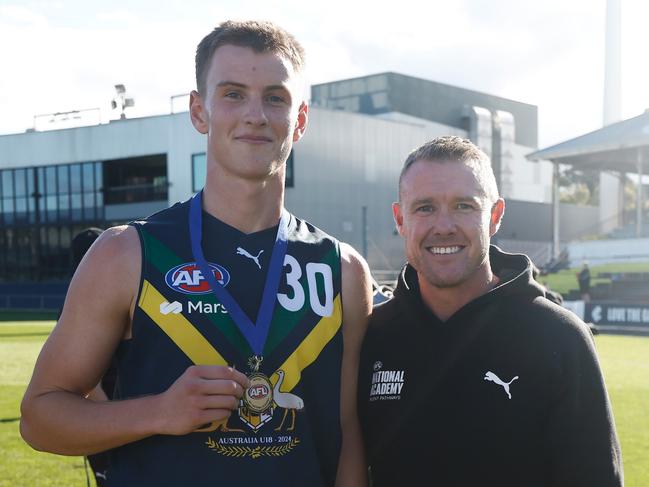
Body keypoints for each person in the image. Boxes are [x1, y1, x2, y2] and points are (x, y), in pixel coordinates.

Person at [21, 21, 371, 487]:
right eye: (232, 94)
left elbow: (347, 436)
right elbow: (40, 418)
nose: (255, 114)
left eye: (275, 97)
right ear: (198, 111)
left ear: (300, 119)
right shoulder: (128, 253)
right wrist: (158, 412)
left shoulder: (342, 269)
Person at [358, 136, 622, 486]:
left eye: (464, 206)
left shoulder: (559, 337)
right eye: (425, 207)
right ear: (400, 219)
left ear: (495, 216)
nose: (444, 225)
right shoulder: (371, 336)